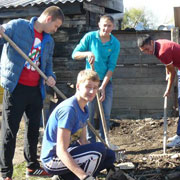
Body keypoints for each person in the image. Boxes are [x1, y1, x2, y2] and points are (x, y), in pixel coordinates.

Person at [0, 6, 64, 180]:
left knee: (33, 130)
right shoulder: (18, 26)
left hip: (36, 89)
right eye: (56, 26)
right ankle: (6, 173)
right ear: (49, 18)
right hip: (15, 88)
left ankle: (32, 167)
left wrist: (50, 76)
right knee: (10, 131)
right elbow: (2, 39)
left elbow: (48, 65)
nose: (55, 30)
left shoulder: (48, 40)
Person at [40, 69, 116, 180]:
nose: (92, 91)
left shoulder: (84, 108)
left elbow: (83, 141)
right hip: (53, 159)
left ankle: (64, 177)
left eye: (95, 88)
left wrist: (105, 158)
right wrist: (84, 176)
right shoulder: (69, 110)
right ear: (78, 86)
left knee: (109, 155)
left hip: (68, 151)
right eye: (88, 87)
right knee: (98, 151)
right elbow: (61, 151)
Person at [72, 15, 120, 143]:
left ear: (113, 27)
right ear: (99, 24)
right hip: (89, 83)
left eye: (109, 26)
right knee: (88, 113)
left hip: (105, 82)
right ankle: (89, 142)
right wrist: (87, 53)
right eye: (104, 25)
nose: (106, 28)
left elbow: (111, 66)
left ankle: (105, 142)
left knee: (105, 114)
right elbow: (74, 54)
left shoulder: (115, 43)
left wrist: (102, 86)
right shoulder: (90, 37)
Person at [137, 34, 180, 148]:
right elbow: (170, 62)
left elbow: (173, 73)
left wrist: (168, 89)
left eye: (147, 49)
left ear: (151, 42)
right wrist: (167, 72)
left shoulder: (161, 52)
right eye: (143, 51)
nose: (147, 52)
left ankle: (179, 137)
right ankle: (179, 135)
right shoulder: (158, 44)